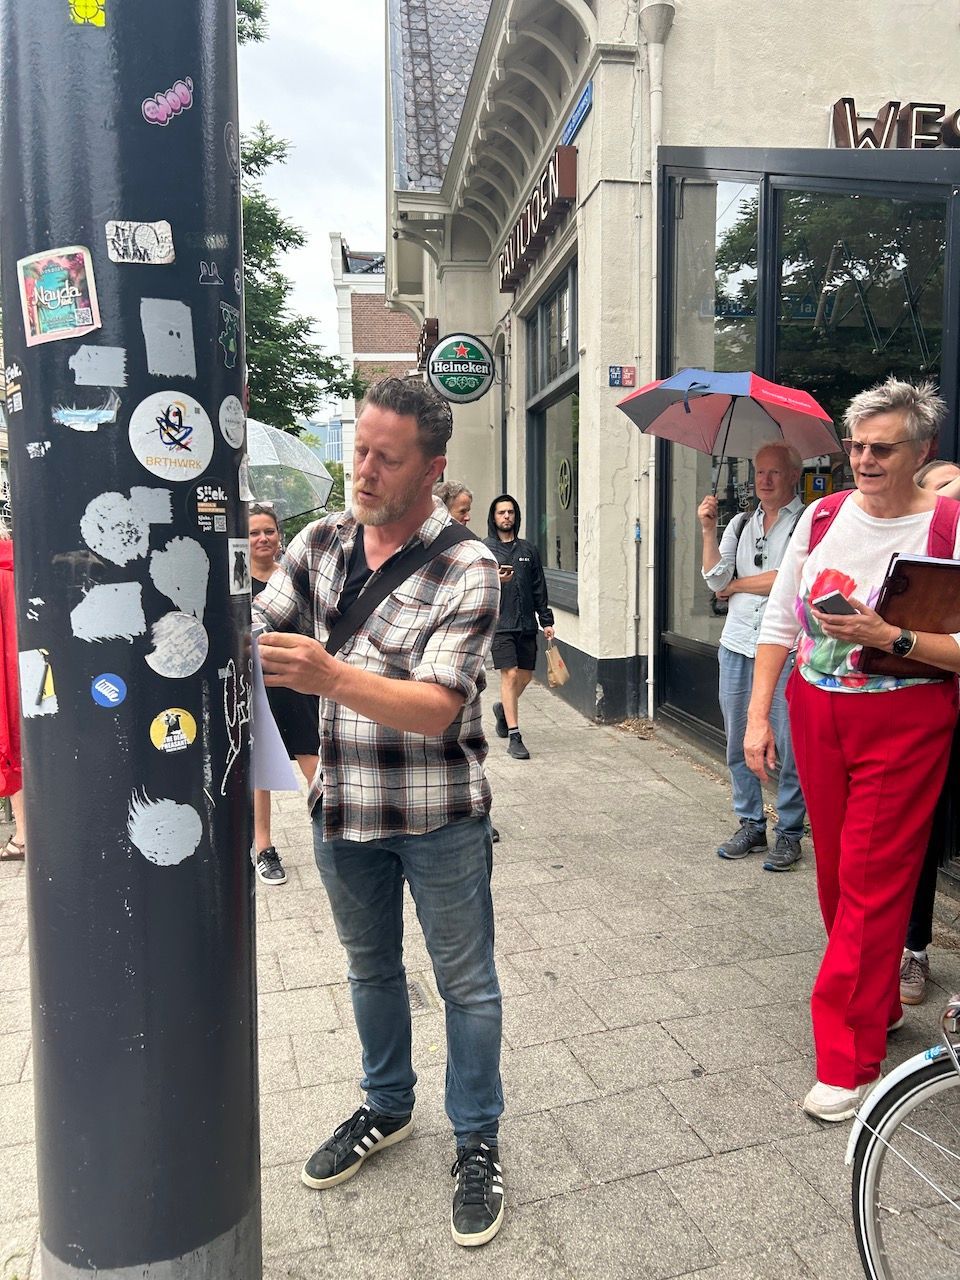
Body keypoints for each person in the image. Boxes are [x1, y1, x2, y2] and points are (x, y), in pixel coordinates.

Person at [253, 376, 506, 1248]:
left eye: (385, 458)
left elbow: (436, 707)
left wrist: (327, 675)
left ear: (432, 469)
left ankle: (477, 1139)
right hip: (344, 809)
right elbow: (258, 626)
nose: (361, 469)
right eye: (358, 449)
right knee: (370, 972)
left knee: (466, 984)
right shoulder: (320, 542)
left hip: (441, 816)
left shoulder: (469, 565)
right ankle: (387, 1106)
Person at [744, 378, 960, 1122]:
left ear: (922, 450)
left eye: (883, 449)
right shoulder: (824, 515)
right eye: (856, 446)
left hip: (905, 716)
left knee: (869, 879)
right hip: (814, 709)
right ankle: (878, 1004)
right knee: (838, 877)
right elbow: (780, 619)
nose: (864, 460)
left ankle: (849, 1057)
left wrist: (890, 637)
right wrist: (758, 717)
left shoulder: (949, 526)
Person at [698, 444, 806, 869]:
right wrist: (709, 531)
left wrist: (738, 585)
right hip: (737, 644)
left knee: (790, 745)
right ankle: (751, 824)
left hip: (785, 649)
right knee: (737, 739)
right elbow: (715, 579)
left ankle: (790, 831)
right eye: (759, 472)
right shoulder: (741, 523)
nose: (764, 480)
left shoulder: (806, 523)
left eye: (774, 472)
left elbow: (789, 581)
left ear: (794, 475)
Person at [899, 459, 960, 1005]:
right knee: (921, 837)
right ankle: (914, 949)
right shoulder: (919, 559)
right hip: (933, 713)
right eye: (944, 484)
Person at [249, 502, 320, 886]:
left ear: (279, 536)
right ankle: (263, 848)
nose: (263, 538)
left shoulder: (294, 578)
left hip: (298, 683)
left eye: (269, 531)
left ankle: (336, 833)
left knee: (315, 759)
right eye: (254, 532)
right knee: (261, 768)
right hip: (257, 687)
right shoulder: (234, 582)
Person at [483, 494, 554, 760]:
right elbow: (478, 583)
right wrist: (495, 579)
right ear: (493, 517)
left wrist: (546, 620)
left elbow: (538, 588)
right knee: (510, 675)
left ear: (516, 516)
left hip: (526, 624)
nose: (506, 516)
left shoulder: (528, 550)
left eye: (510, 512)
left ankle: (503, 709)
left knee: (524, 677)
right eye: (501, 512)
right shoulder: (484, 549)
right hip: (501, 623)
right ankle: (515, 736)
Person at [0, 528, 24, 861]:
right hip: (40, 671)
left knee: (13, 752)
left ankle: (24, 835)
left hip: (7, 677)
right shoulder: (27, 558)